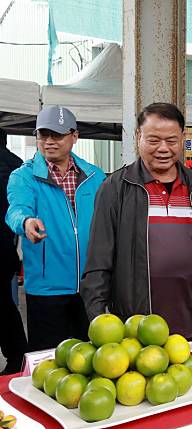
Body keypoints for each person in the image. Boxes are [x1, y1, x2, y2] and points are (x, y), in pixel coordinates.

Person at [80, 103, 192, 338]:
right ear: (138, 137)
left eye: (171, 141)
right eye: (154, 140)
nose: (163, 149)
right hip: (136, 327)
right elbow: (98, 260)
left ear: (182, 139)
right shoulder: (116, 188)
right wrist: (98, 320)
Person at [6, 106, 105, 351]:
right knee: (49, 362)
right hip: (46, 289)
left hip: (89, 288)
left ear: (75, 136)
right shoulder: (23, 177)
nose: (49, 142)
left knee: (91, 359)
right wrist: (26, 222)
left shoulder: (95, 176)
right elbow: (16, 209)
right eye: (43, 135)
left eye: (57, 135)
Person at [0, 130, 28, 373]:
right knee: (5, 304)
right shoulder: (17, 165)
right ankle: (17, 355)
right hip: (6, 247)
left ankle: (17, 355)